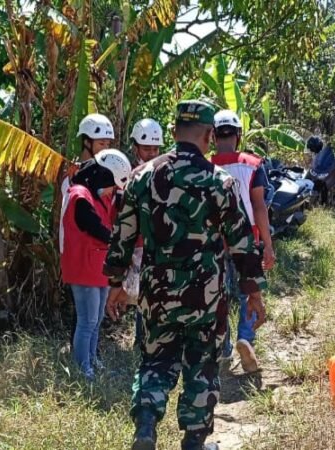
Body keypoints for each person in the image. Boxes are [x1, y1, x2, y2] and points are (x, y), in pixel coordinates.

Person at [105, 100, 267, 450]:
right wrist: (253, 291)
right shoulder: (219, 182)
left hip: (157, 292)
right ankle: (194, 441)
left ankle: (146, 426)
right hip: (205, 295)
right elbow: (241, 242)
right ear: (209, 135)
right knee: (202, 366)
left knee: (155, 360)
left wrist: (116, 284)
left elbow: (122, 235)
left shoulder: (141, 177)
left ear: (174, 131)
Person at [210, 109, 274, 373]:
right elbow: (259, 206)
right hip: (246, 237)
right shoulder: (252, 164)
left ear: (213, 137)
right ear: (238, 135)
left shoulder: (205, 165)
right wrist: (268, 245)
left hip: (214, 239)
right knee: (249, 292)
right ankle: (245, 338)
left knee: (219, 297)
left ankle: (223, 351)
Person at [61, 149, 132, 381]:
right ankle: (84, 370)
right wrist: (116, 240)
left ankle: (93, 361)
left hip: (97, 268)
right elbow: (91, 225)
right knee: (87, 321)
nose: (112, 190)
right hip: (83, 267)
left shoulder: (98, 196)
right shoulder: (79, 195)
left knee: (97, 319)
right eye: (112, 184)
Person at [125, 119, 165, 349]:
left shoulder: (165, 172)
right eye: (146, 148)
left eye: (155, 149)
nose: (151, 153)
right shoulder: (131, 175)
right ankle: (142, 339)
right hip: (139, 243)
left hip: (160, 243)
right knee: (141, 294)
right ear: (136, 148)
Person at [59, 113, 116, 254]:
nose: (105, 149)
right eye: (101, 143)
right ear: (87, 142)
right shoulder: (71, 177)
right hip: (81, 254)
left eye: (108, 144)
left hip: (99, 255)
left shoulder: (107, 172)